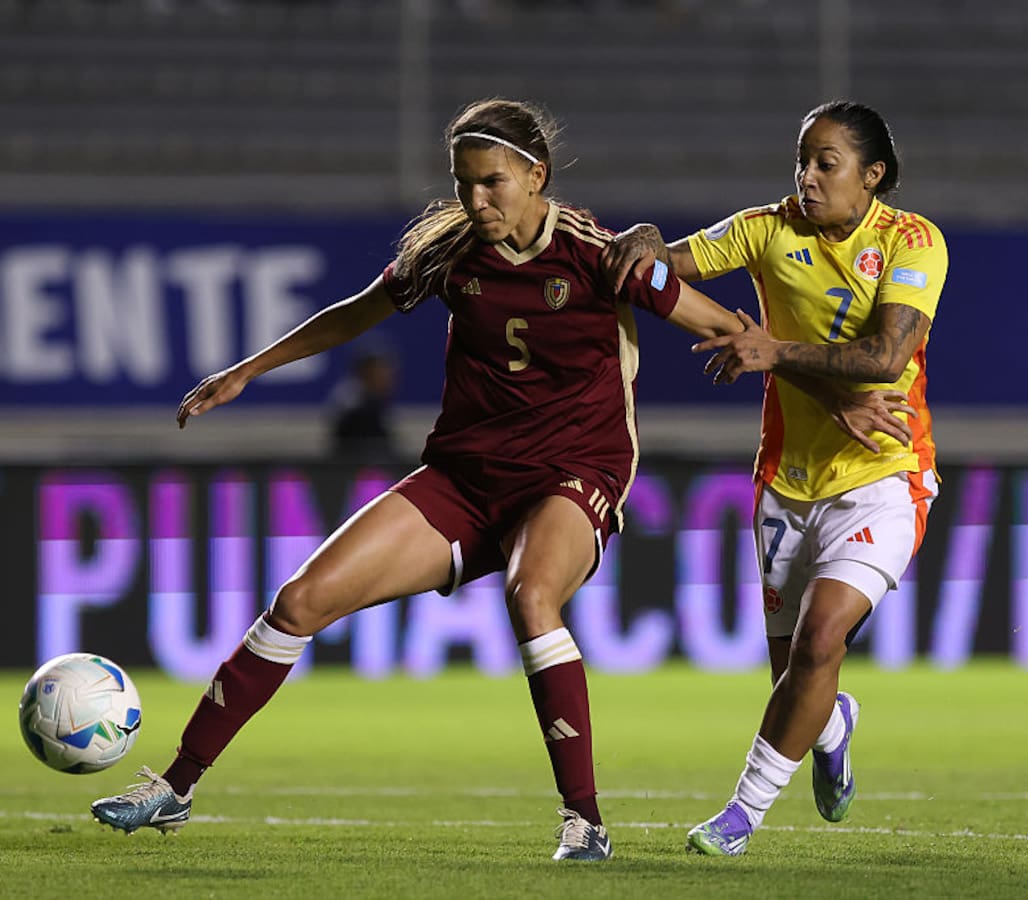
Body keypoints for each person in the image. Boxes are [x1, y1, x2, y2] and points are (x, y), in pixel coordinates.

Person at [89, 97, 909, 861]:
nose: (477, 199)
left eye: (493, 182)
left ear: (535, 177)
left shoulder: (601, 256)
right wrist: (250, 369)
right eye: (464, 184)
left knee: (532, 597)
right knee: (300, 602)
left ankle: (584, 822)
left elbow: (731, 326)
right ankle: (174, 786)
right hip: (465, 477)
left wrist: (836, 401)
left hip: (574, 473)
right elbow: (359, 310)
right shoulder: (450, 252)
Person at [602, 100, 947, 856]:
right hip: (787, 483)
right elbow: (666, 269)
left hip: (885, 473)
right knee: (795, 679)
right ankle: (835, 727)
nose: (808, 176)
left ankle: (739, 818)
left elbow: (886, 360)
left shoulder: (913, 240)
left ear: (873, 175)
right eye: (803, 159)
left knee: (823, 641)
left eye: (828, 163)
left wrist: (773, 352)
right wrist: (647, 238)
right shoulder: (769, 226)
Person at [328, 348, 399, 460]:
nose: (388, 377)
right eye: (381, 372)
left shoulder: (378, 404)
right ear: (367, 372)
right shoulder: (356, 409)